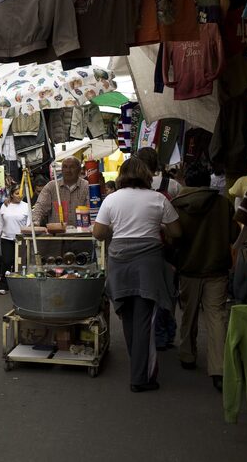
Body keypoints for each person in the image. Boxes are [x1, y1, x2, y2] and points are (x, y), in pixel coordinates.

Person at [93, 158, 182, 393]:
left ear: (122, 176)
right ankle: (140, 377)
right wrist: (158, 226)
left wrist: (119, 225)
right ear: (146, 176)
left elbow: (99, 233)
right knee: (144, 320)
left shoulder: (111, 199)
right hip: (148, 264)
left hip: (120, 263)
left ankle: (138, 368)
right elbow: (177, 231)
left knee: (128, 316)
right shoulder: (158, 199)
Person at [171, 161, 239, 392]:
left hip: (189, 267)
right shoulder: (222, 204)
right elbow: (233, 235)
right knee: (216, 317)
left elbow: (173, 239)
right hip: (217, 268)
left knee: (188, 314)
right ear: (208, 181)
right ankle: (218, 369)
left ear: (187, 181)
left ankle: (187, 355)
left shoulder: (177, 205)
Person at [0, 185, 32, 296]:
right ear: (11, 194)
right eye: (17, 193)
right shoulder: (5, 206)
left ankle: (20, 286)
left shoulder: (26, 206)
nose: (20, 196)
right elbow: (0, 223)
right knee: (7, 262)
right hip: (6, 239)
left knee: (20, 264)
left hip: (21, 240)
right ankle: (3, 285)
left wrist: (27, 236)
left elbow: (29, 224)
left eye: (21, 193)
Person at [32, 157, 90, 226]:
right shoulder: (51, 186)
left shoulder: (87, 186)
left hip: (83, 234)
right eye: (65, 167)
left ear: (79, 170)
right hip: (58, 235)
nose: (68, 170)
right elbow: (40, 207)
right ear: (61, 170)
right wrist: (35, 222)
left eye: (72, 167)